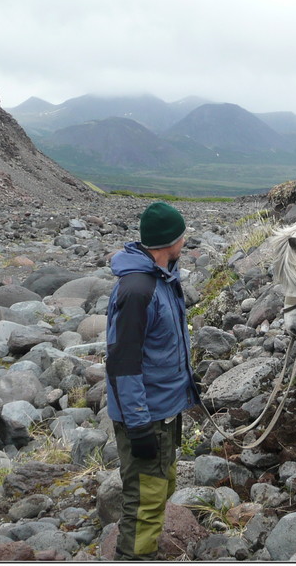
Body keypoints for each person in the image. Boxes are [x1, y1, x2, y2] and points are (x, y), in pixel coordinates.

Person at [105, 201, 201, 561]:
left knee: (161, 487)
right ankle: (133, 557)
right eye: (181, 235)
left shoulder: (163, 277)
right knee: (144, 501)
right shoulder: (138, 290)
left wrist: (188, 385)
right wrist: (139, 424)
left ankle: (142, 550)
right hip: (146, 416)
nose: (185, 241)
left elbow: (164, 346)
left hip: (164, 410)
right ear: (170, 241)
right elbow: (124, 363)